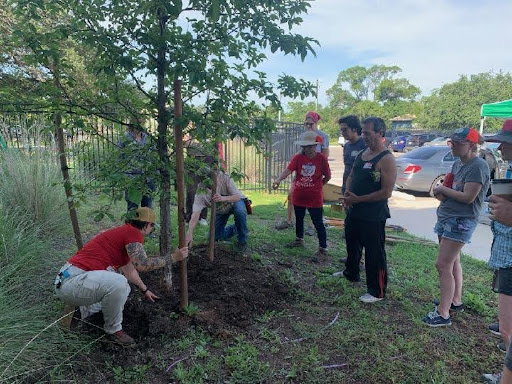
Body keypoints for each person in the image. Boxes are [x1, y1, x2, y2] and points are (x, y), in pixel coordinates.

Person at [54, 207, 188, 346]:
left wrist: (145, 289)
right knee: (119, 283)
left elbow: (130, 270)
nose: (151, 229)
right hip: (73, 281)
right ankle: (113, 331)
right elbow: (142, 264)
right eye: (152, 226)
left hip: (68, 279)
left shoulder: (122, 234)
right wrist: (173, 257)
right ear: (148, 225)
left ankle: (78, 312)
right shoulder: (133, 233)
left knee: (123, 289)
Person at [422, 127, 490, 327]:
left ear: (471, 144)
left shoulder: (478, 166)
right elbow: (451, 188)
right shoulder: (457, 163)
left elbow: (468, 198)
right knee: (452, 262)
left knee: (442, 264)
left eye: (457, 143)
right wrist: (441, 192)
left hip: (460, 221)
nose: (452, 147)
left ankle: (443, 314)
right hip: (447, 216)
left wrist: (443, 189)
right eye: (451, 142)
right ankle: (454, 300)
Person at [339, 117, 396, 303]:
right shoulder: (362, 153)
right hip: (354, 210)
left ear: (380, 134)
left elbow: (386, 192)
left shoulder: (386, 159)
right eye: (363, 132)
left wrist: (358, 199)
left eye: (368, 133)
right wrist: (348, 194)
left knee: (374, 253)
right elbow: (352, 175)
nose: (364, 136)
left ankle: (376, 291)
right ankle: (351, 273)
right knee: (352, 245)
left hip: (373, 215)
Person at [482, 119, 512, 384]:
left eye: (506, 141)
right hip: (504, 253)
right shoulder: (510, 170)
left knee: (507, 329)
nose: (500, 146)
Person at [272, 130, 331, 258]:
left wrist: (318, 185)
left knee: (318, 222)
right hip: (299, 195)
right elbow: (288, 170)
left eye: (309, 146)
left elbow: (328, 176)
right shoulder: (298, 158)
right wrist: (278, 180)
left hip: (315, 197)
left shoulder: (321, 159)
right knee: (299, 218)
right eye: (304, 146)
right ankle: (299, 240)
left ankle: (323, 248)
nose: (306, 149)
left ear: (315, 146)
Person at [275, 111, 329, 231]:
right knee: (291, 195)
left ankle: (312, 225)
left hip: (315, 174)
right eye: (306, 124)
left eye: (311, 124)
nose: (308, 126)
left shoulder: (323, 136)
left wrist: (319, 180)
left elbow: (325, 157)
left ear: (316, 123)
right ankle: (289, 221)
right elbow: (300, 155)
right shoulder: (303, 136)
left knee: (315, 201)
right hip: (301, 172)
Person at [186, 164, 249, 253]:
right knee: (213, 237)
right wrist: (190, 232)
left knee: (240, 212)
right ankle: (237, 228)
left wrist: (223, 198)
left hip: (235, 202)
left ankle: (242, 241)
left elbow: (237, 196)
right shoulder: (201, 193)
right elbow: (195, 214)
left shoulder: (224, 177)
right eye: (208, 184)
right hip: (221, 210)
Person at [118, 122, 156, 212]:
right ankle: (131, 226)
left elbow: (154, 156)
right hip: (132, 179)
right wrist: (126, 176)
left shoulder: (148, 138)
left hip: (148, 179)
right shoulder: (124, 138)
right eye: (138, 121)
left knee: (147, 209)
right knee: (132, 208)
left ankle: (145, 226)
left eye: (142, 121)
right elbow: (120, 158)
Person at [339, 115, 367, 194]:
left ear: (354, 129)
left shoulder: (365, 145)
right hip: (346, 186)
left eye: (345, 130)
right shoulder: (346, 146)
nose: (342, 133)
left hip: (360, 187)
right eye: (341, 130)